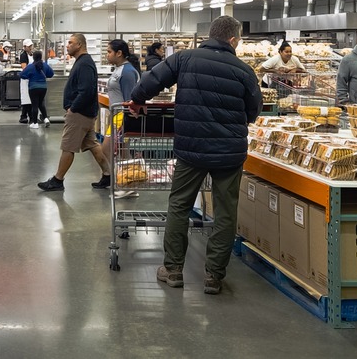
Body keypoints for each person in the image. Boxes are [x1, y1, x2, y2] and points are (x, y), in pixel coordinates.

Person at [128, 16, 262, 295]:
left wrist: (138, 100)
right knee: (225, 212)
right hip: (229, 153)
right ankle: (214, 275)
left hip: (191, 149)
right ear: (233, 40)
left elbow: (153, 80)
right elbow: (253, 111)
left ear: (210, 35)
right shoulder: (244, 70)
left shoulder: (184, 58)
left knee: (179, 205)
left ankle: (173, 269)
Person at [38, 33, 111, 192]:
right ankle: (107, 174)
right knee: (92, 144)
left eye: (71, 43)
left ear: (80, 45)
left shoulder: (84, 64)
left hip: (80, 114)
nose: (67, 45)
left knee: (68, 147)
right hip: (85, 113)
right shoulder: (82, 62)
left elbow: (86, 91)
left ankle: (58, 180)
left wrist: (73, 108)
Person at [102, 39, 141, 199]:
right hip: (116, 115)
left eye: (109, 52)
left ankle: (127, 183)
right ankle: (128, 184)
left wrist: (126, 120)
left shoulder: (127, 72)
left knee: (110, 148)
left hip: (121, 116)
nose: (107, 55)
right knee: (121, 151)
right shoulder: (119, 69)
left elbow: (129, 99)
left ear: (119, 53)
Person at [20, 50, 54, 128]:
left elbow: (22, 75)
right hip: (43, 87)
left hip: (33, 87)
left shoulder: (31, 66)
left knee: (34, 105)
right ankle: (46, 119)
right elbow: (51, 74)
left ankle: (35, 123)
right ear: (41, 57)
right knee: (41, 103)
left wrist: (28, 76)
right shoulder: (45, 65)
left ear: (33, 57)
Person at [18, 39, 34, 124]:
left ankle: (23, 116)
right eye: (29, 46)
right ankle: (29, 117)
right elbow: (24, 68)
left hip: (31, 78)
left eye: (31, 46)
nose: (30, 47)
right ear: (24, 47)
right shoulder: (23, 55)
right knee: (26, 98)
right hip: (26, 79)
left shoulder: (31, 54)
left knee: (29, 99)